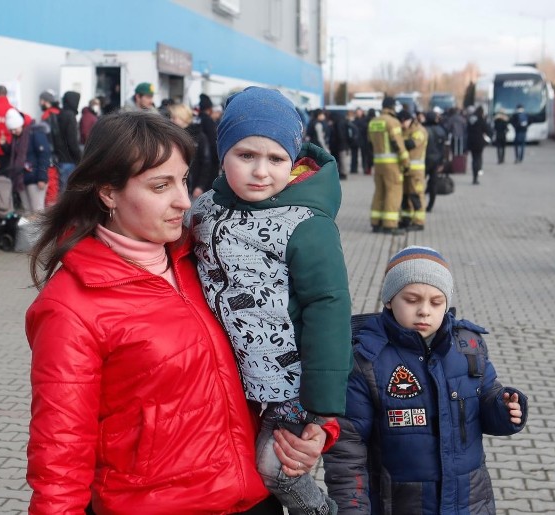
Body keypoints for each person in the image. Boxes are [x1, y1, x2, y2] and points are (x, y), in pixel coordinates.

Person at [26, 111, 314, 514]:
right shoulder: (71, 305)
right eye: (161, 186)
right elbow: (60, 450)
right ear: (109, 193)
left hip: (255, 499)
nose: (183, 200)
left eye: (182, 180)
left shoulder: (208, 259)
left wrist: (318, 427)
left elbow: (291, 339)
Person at [189, 86, 351, 515]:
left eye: (276, 159)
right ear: (223, 154)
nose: (261, 171)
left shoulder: (307, 225)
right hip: (229, 376)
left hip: (290, 385)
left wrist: (320, 406)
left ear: (293, 161)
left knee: (275, 469)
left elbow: (329, 309)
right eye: (246, 156)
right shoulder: (204, 210)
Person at [323, 246, 528, 515]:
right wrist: (352, 509)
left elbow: (486, 398)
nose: (424, 311)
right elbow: (346, 450)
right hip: (397, 504)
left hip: (469, 503)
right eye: (411, 299)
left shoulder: (469, 347)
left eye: (436, 302)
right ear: (388, 299)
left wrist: (503, 409)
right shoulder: (366, 360)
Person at [368, 97, 409, 234]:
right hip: (392, 165)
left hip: (378, 163)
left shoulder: (373, 122)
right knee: (393, 191)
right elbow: (398, 143)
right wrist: (406, 162)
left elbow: (369, 142)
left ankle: (376, 223)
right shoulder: (393, 122)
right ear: (392, 107)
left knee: (379, 191)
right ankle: (390, 225)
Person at [3, 108, 50, 214]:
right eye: (11, 130)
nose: (14, 132)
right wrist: (4, 145)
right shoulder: (17, 138)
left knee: (37, 211)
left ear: (21, 124)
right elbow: (14, 154)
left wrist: (42, 177)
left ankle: (40, 231)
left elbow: (44, 155)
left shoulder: (35, 133)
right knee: (27, 211)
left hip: (35, 178)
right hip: (22, 178)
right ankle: (30, 231)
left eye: (15, 129)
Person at [167, 102, 214, 199]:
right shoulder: (171, 137)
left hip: (192, 187)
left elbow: (206, 163)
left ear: (183, 118)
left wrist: (200, 186)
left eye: (174, 117)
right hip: (174, 187)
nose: (170, 120)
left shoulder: (199, 137)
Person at [398, 109, 428, 230]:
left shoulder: (419, 130)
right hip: (405, 170)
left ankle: (418, 222)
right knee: (405, 196)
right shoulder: (404, 130)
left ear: (407, 120)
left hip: (416, 171)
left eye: (402, 122)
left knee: (416, 195)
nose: (401, 125)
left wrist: (398, 142)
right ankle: (406, 219)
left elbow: (411, 144)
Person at [54, 91, 83, 192]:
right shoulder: (70, 116)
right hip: (69, 159)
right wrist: (80, 157)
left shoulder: (60, 114)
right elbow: (72, 141)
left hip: (61, 157)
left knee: (62, 189)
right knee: (67, 191)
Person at [422, 111, 448, 213]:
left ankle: (419, 202)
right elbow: (444, 148)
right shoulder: (441, 130)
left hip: (424, 159)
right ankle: (430, 205)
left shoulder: (423, 130)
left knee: (420, 182)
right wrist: (443, 162)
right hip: (436, 160)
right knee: (433, 184)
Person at [467, 105, 492, 185]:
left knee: (474, 158)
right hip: (479, 141)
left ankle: (474, 175)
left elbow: (467, 129)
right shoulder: (481, 119)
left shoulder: (470, 119)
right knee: (478, 157)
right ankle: (476, 175)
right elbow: (487, 129)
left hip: (471, 141)